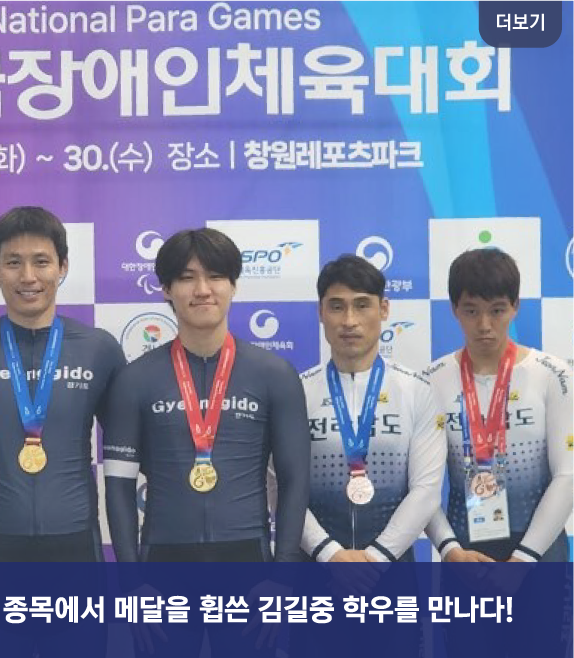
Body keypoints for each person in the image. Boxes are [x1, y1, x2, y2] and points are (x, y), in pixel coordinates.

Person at [103, 227, 310, 657]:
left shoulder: (274, 374)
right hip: (162, 572)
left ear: (233, 284)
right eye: (186, 277)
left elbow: (294, 481)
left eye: (215, 276)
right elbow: (118, 486)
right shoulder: (135, 380)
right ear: (166, 289)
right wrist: (131, 583)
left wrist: (283, 577)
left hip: (250, 572)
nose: (202, 289)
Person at [0, 207, 124, 658]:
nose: (28, 276)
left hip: (76, 552)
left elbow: (133, 452)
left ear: (63, 266)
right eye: (13, 262)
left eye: (41, 261)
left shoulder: (99, 349)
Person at [287, 254, 444, 658]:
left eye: (362, 305)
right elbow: (280, 486)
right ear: (320, 313)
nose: (349, 320)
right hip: (315, 571)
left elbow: (426, 490)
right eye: (336, 306)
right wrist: (330, 554)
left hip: (391, 573)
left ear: (384, 309)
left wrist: (374, 559)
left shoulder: (417, 391)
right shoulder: (295, 392)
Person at [424, 248, 572, 655]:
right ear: (454, 309)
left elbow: (568, 475)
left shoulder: (554, 375)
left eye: (497, 310)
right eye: (471, 311)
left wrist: (524, 559)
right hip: (465, 557)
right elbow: (420, 484)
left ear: (516, 307)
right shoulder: (431, 381)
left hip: (540, 553)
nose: (485, 325)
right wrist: (449, 549)